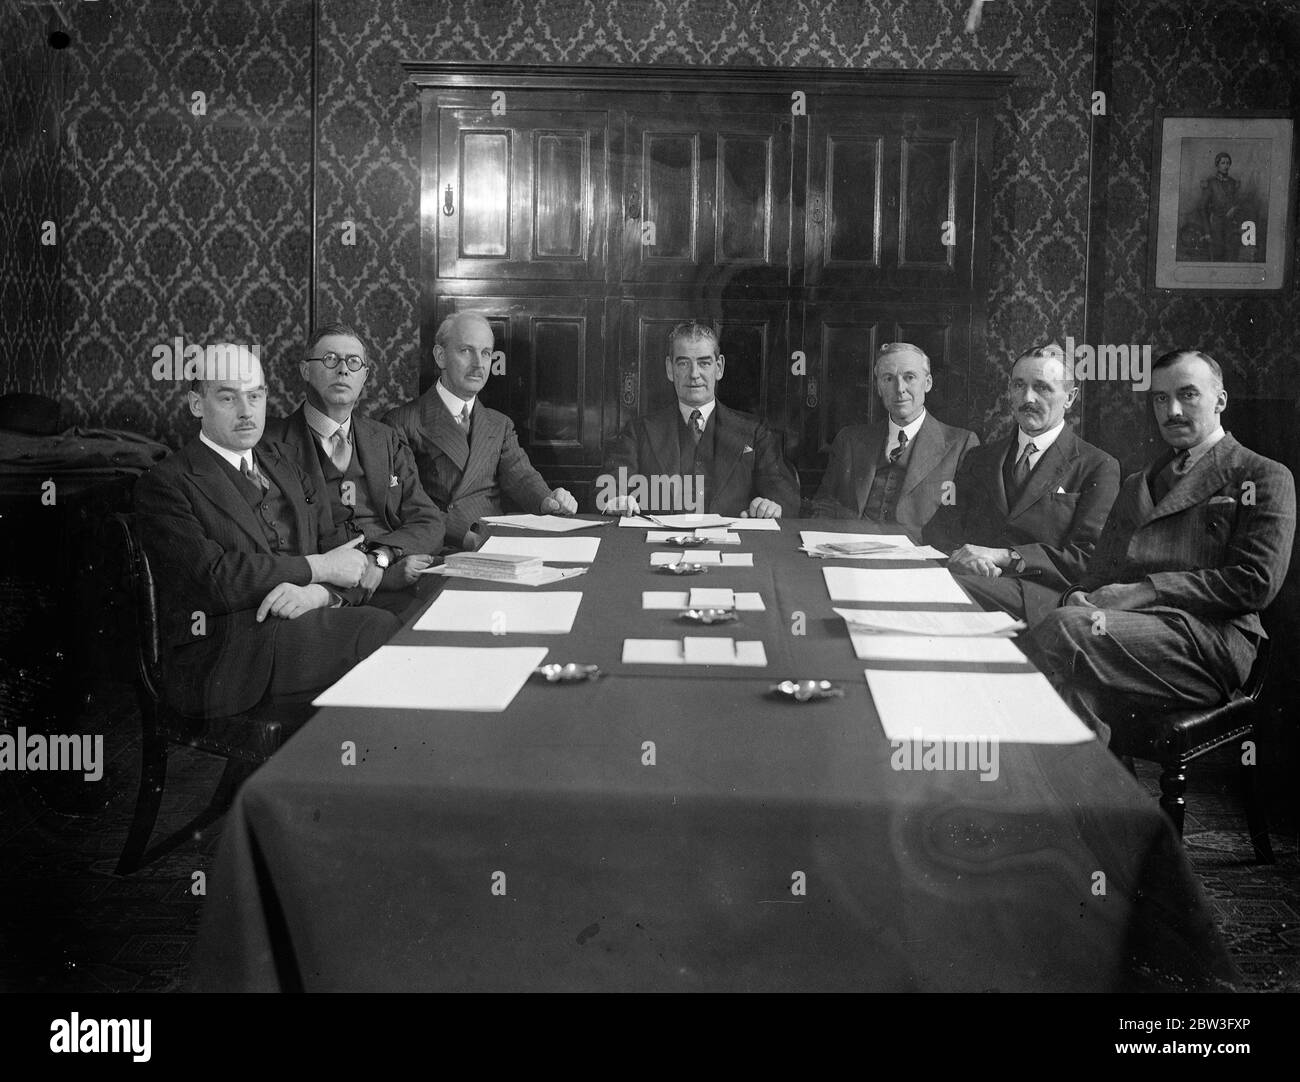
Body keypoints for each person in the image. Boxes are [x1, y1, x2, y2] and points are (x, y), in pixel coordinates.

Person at [1027, 349, 1295, 747]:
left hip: (1208, 644)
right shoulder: (1139, 482)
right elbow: (1099, 572)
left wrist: (1144, 591)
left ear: (1219, 400)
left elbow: (1255, 583)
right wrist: (1080, 594)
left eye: (1188, 395)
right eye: (1159, 398)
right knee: (1074, 683)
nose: (1172, 410)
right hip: (1123, 634)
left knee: (1064, 629)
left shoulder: (1261, 475)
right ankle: (1109, 802)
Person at [133, 344, 401, 718]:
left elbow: (342, 549)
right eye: (228, 398)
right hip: (225, 652)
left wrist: (320, 595)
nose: (246, 412)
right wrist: (317, 569)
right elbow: (214, 579)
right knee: (377, 633)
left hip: (300, 622)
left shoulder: (286, 465)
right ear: (197, 404)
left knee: (404, 621)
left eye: (255, 396)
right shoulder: (167, 483)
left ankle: (296, 770)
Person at [924, 343, 1120, 622]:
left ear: (1070, 397)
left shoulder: (1099, 466)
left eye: (1042, 387)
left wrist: (1004, 556)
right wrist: (962, 556)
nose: (1027, 398)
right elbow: (939, 529)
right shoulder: (979, 458)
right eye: (1019, 385)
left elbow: (1088, 558)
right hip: (973, 581)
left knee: (933, 590)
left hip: (1040, 597)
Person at [265, 322, 444, 616]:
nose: (343, 370)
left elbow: (429, 520)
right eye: (330, 360)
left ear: (365, 376)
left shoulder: (385, 438)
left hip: (396, 574)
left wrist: (381, 557)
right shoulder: (273, 446)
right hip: (324, 595)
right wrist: (381, 576)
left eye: (353, 362)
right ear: (305, 371)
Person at [383, 312, 576, 549]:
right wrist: (463, 535)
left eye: (485, 353)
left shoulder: (499, 424)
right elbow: (407, 502)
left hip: (497, 545)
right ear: (440, 356)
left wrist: (548, 501)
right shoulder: (400, 423)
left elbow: (522, 477)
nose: (478, 364)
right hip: (440, 549)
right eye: (466, 350)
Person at [598, 320, 800, 518]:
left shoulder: (754, 431)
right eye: (684, 363)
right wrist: (617, 501)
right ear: (670, 369)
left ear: (719, 367)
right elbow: (605, 490)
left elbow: (787, 498)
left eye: (704, 363)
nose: (694, 374)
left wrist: (771, 507)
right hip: (659, 545)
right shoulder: (639, 431)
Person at [811, 341, 979, 541]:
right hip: (851, 555)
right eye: (888, 378)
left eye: (910, 377)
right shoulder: (850, 440)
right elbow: (824, 506)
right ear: (879, 387)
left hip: (919, 562)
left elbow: (965, 525)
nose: (899, 389)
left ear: (928, 383)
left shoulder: (961, 444)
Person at [1200, 152, 1242, 262]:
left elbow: (1237, 203)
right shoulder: (1211, 183)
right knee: (1217, 255)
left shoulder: (1233, 182)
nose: (1226, 166)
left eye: (1228, 163)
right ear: (1217, 165)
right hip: (1216, 226)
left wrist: (1234, 209)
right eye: (1223, 163)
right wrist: (1207, 232)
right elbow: (1203, 208)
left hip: (1230, 227)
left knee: (1231, 256)